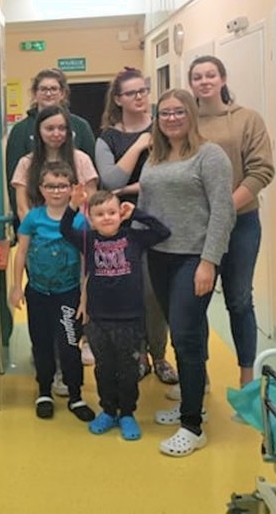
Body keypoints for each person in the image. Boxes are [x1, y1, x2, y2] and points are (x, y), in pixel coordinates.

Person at [139, 89, 234, 457]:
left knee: (185, 335)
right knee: (181, 334)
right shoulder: (156, 157)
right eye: (165, 113)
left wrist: (209, 261)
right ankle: (190, 404)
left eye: (179, 112)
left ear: (192, 115)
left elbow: (223, 211)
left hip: (193, 258)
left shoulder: (210, 155)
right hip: (159, 256)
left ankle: (192, 427)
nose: (172, 118)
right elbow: (147, 204)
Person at [189, 55, 275, 388]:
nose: (205, 81)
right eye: (198, 76)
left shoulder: (247, 119)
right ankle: (199, 377)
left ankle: (247, 380)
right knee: (194, 302)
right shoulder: (186, 121)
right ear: (191, 83)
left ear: (223, 79)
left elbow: (261, 170)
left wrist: (224, 209)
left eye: (211, 75)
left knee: (239, 300)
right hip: (196, 226)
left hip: (241, 223)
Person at [60, 189, 171, 442]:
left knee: (129, 370)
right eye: (100, 214)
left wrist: (137, 213)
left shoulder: (134, 238)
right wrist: (73, 206)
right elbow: (65, 230)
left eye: (112, 212)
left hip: (130, 319)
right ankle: (109, 411)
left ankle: (127, 413)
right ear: (90, 218)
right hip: (98, 320)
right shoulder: (88, 240)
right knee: (104, 369)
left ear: (121, 214)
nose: (107, 218)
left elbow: (162, 232)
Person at [94, 68, 178, 386]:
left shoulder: (164, 127)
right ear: (118, 99)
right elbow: (110, 180)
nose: (140, 97)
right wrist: (140, 145)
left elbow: (170, 178)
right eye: (132, 93)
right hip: (124, 227)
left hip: (161, 221)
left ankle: (160, 356)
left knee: (157, 295)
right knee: (133, 293)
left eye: (143, 90)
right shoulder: (108, 138)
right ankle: (139, 355)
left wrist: (128, 189)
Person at [8, 161, 96, 423]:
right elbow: (21, 253)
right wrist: (16, 286)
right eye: (50, 186)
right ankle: (44, 392)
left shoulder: (79, 221)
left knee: (69, 346)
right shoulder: (33, 218)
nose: (56, 191)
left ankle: (75, 395)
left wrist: (85, 297)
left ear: (72, 189)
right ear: (41, 189)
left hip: (68, 295)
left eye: (62, 186)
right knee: (41, 344)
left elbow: (86, 261)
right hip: (37, 293)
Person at [6, 69, 96, 231]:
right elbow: (21, 203)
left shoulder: (81, 155)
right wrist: (33, 231)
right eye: (43, 89)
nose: (56, 134)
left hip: (76, 231)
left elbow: (92, 198)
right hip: (39, 233)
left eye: (62, 128)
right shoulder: (25, 158)